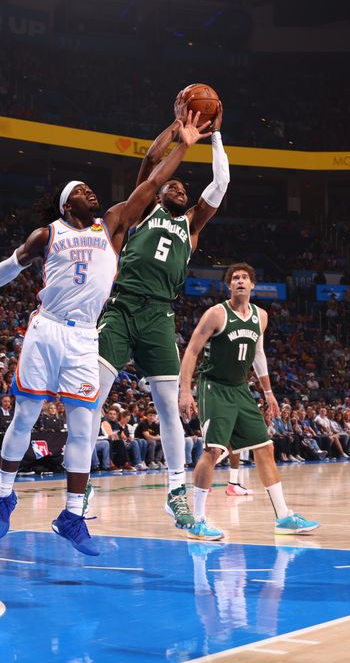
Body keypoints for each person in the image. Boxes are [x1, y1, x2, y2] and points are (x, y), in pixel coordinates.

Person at [0, 114, 209, 556]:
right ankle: (3, 497)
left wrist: (181, 143)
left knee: (82, 425)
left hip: (84, 336)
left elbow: (150, 183)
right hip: (47, 328)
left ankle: (71, 514)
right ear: (67, 203)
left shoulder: (111, 225)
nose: (93, 192)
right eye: (83, 191)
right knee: (25, 416)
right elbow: (10, 267)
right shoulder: (46, 234)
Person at [95, 97, 230, 530]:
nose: (179, 188)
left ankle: (176, 492)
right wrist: (177, 131)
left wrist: (217, 139)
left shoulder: (190, 226)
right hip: (121, 306)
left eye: (183, 189)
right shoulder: (147, 205)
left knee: (169, 409)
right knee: (91, 400)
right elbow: (153, 162)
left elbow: (220, 185)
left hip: (158, 316)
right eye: (174, 185)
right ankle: (78, 493)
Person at [178, 263, 319, 540]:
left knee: (265, 448)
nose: (240, 281)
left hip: (241, 389)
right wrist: (185, 390)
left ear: (253, 285)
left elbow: (258, 354)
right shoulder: (216, 314)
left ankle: (283, 517)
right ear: (229, 285)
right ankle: (197, 520)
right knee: (213, 451)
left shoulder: (261, 316)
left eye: (244, 277)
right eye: (234, 278)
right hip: (215, 387)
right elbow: (192, 351)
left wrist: (268, 392)